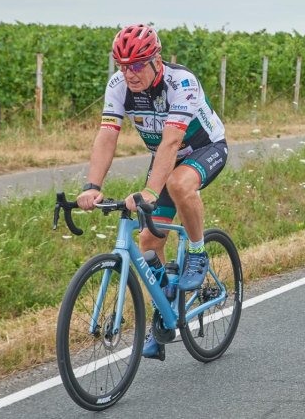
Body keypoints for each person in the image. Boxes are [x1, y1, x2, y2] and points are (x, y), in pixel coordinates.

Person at [77, 24, 229, 360]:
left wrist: (149, 190)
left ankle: (198, 251)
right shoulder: (119, 85)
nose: (129, 73)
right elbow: (107, 136)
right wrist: (92, 186)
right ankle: (164, 313)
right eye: (122, 65)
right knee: (148, 239)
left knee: (179, 184)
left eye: (136, 65)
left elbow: (173, 141)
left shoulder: (181, 82)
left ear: (156, 60)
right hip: (165, 157)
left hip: (205, 148)